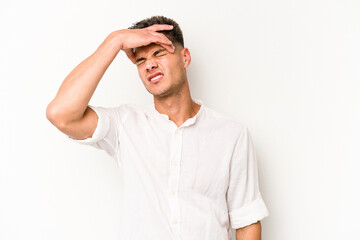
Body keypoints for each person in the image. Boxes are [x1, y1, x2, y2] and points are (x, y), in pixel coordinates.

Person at [46, 16, 269, 240]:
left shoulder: (231, 135)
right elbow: (61, 114)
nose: (150, 64)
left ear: (185, 57)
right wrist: (114, 40)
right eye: (141, 60)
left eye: (159, 53)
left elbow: (247, 222)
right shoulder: (125, 124)